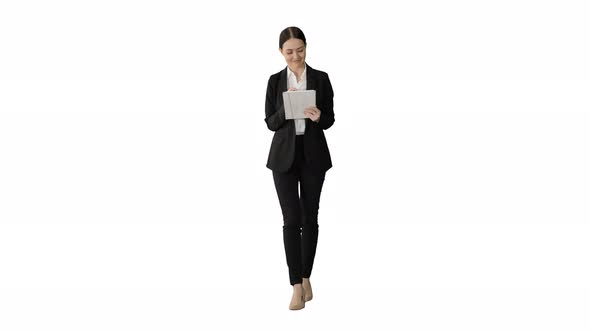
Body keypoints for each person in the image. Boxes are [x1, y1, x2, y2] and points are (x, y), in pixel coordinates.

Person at [264, 26, 335, 310]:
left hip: (313, 155)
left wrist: (319, 116)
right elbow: (270, 122)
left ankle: (307, 276)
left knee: (310, 216)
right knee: (291, 218)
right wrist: (287, 106)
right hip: (283, 157)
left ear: (306, 47)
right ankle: (295, 285)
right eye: (289, 52)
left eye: (300, 50)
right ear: (281, 52)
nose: (295, 56)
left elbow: (330, 119)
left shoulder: (321, 78)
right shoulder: (273, 81)